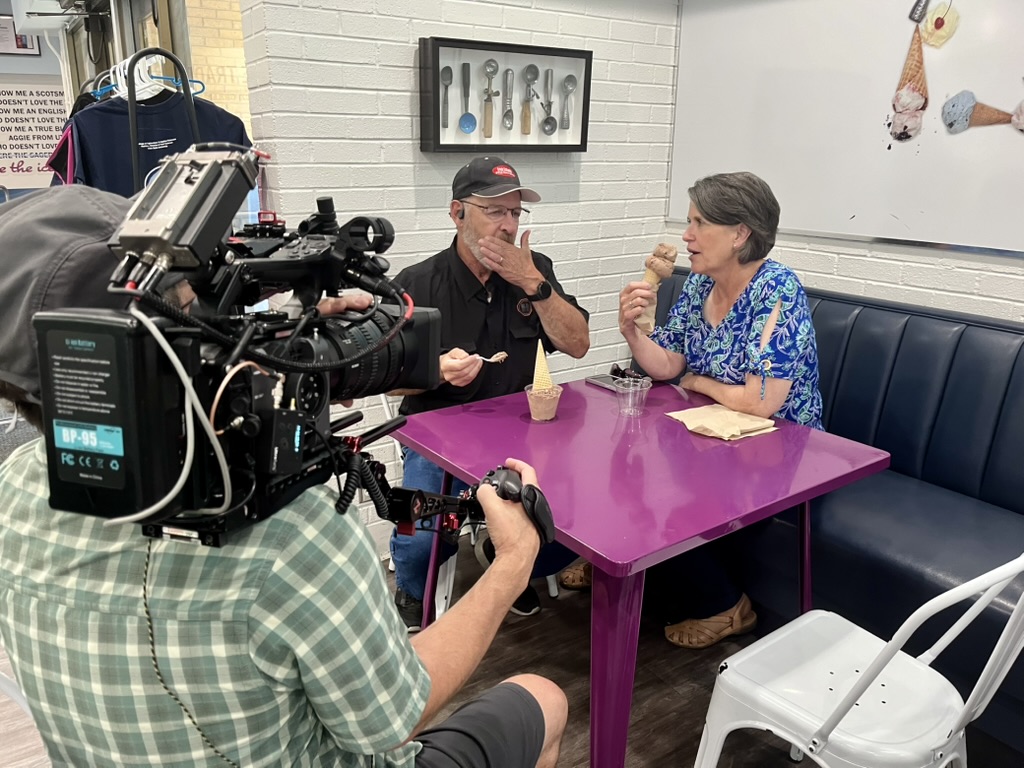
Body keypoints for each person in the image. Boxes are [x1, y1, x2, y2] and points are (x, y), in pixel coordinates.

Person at [0, 186, 567, 767]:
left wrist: (292, 326)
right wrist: (512, 563)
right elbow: (394, 717)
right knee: (543, 697)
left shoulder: (14, 489)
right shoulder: (293, 536)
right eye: (197, 303)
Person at [559, 171, 823, 649]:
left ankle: (724, 607)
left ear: (739, 233)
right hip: (711, 435)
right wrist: (632, 332)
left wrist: (699, 382)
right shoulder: (701, 286)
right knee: (617, 469)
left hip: (778, 451)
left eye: (699, 223)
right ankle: (613, 561)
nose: (686, 235)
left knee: (663, 494)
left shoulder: (778, 291)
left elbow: (762, 402)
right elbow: (667, 365)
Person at [389, 157, 590, 629]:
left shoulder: (534, 270)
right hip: (436, 440)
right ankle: (413, 591)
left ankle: (511, 571)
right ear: (458, 213)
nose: (508, 225)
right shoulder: (418, 283)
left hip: (522, 440)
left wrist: (532, 284)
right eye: (494, 211)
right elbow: (378, 376)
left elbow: (578, 344)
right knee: (419, 539)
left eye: (515, 213)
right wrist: (432, 372)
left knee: (583, 515)